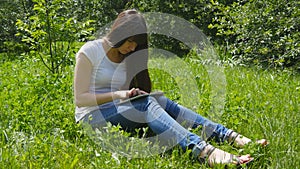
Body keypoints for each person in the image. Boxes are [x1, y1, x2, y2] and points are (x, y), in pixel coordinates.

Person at [74, 9, 268, 167]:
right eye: (130, 41)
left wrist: (133, 95)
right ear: (120, 33)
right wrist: (120, 94)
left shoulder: (128, 57)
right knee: (145, 103)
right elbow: (80, 99)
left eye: (137, 44)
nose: (133, 48)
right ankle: (204, 151)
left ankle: (231, 136)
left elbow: (128, 96)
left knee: (157, 100)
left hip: (118, 110)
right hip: (92, 116)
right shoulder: (90, 51)